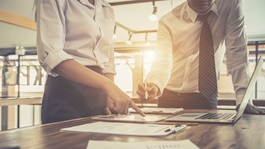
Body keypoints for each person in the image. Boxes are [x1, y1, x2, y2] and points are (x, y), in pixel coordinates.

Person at [137, 0, 265, 114]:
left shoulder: (230, 5)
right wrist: (154, 84)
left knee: (208, 139)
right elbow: (162, 61)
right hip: (169, 95)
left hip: (206, 95)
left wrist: (243, 99)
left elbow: (236, 51)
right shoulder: (168, 21)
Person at [35, 0, 144, 124]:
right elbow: (52, 54)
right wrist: (108, 86)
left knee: (100, 141)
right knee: (66, 141)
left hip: (99, 94)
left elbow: (107, 59)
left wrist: (109, 96)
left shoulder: (106, 8)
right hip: (66, 89)